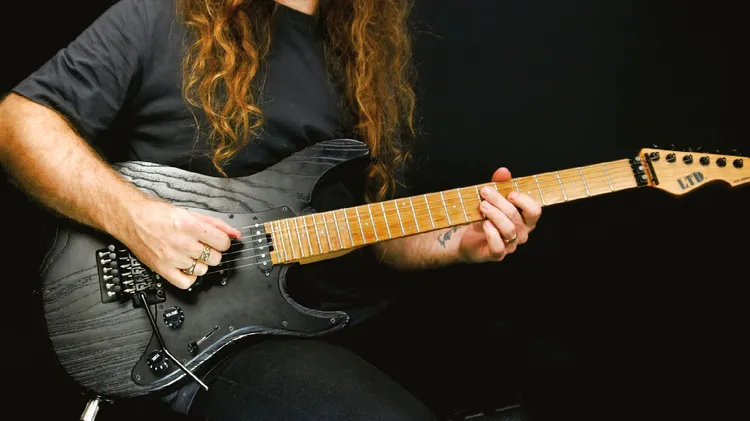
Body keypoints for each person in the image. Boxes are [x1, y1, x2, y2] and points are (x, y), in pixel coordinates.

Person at [0, 0, 542, 419]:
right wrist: (136, 220)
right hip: (198, 336)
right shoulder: (162, 14)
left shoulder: (360, 53)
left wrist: (458, 242)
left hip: (333, 317)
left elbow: (367, 232)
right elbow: (17, 121)